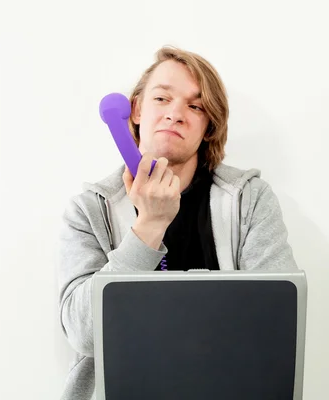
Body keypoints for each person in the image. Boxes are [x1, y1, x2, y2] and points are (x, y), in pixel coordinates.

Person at [57, 46, 299, 400]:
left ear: (209, 126)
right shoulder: (90, 210)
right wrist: (150, 226)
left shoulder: (250, 200)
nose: (176, 114)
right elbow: (83, 334)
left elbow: (278, 323)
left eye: (195, 106)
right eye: (161, 98)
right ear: (136, 110)